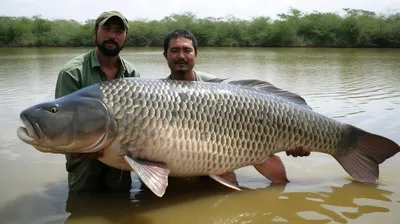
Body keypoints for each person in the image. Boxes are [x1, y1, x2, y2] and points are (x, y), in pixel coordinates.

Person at [162, 29, 310, 184]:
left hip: (218, 153)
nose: (181, 56)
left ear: (195, 54)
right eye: (174, 51)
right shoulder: (156, 95)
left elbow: (265, 109)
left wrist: (297, 137)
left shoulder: (218, 87)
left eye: (187, 50)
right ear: (165, 55)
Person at [55, 11, 140, 192]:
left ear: (125, 37)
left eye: (118, 31)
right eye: (107, 29)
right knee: (84, 206)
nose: (112, 35)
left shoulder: (131, 73)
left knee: (121, 202)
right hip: (84, 158)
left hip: (119, 153)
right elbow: (63, 124)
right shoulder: (72, 72)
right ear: (95, 32)